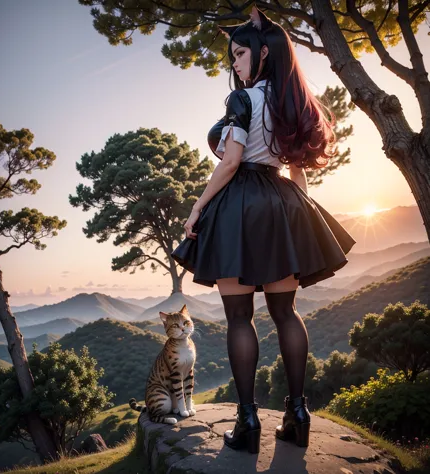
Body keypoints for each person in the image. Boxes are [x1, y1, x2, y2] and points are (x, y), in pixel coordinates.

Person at [171, 5, 356, 454]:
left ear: (261, 54)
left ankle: (248, 422)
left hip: (241, 208)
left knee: (239, 317)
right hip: (282, 202)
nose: (233, 64)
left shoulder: (243, 99)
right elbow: (296, 170)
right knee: (287, 313)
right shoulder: (291, 101)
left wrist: (197, 207)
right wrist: (302, 210)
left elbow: (231, 162)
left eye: (238, 55)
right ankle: (298, 415)